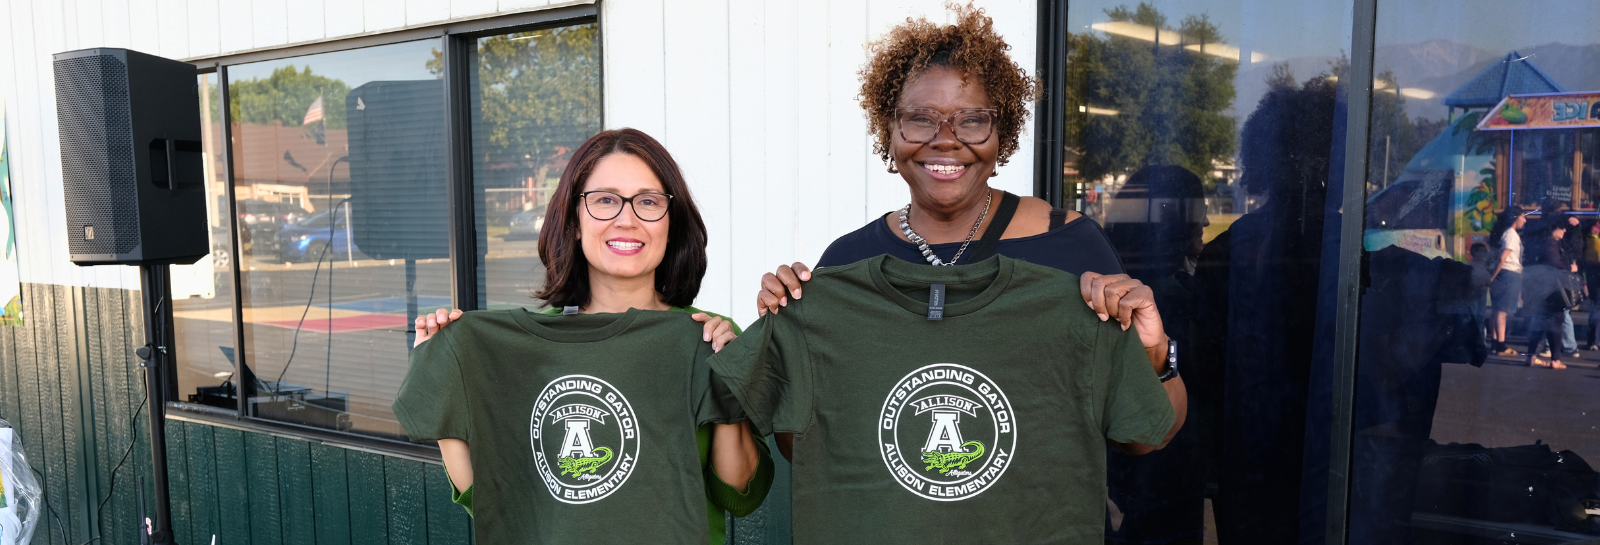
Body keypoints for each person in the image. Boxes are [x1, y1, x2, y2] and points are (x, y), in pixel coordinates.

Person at [752, 2, 1186, 463]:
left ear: (1002, 135)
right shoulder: (848, 263)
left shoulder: (1070, 246)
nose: (945, 139)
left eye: (972, 120)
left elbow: (1146, 437)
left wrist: (1154, 354)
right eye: (920, 118)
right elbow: (806, 452)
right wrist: (785, 344)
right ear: (890, 130)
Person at [405, 128, 774, 544]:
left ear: (671, 224)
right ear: (574, 222)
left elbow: (739, 494)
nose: (627, 219)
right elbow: (490, 498)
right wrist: (440, 380)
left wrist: (728, 375)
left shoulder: (708, 335)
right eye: (605, 200)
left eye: (648, 201)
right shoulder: (524, 349)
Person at [1522, 219, 1571, 369]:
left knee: (1540, 322)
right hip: (1552, 289)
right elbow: (1555, 262)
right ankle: (1555, 360)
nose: (1564, 231)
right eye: (1562, 228)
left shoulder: (1541, 242)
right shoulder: (1551, 243)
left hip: (1540, 287)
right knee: (1556, 322)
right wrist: (1570, 267)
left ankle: (1531, 355)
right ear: (1554, 228)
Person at [1487, 206, 1527, 356]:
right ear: (1515, 218)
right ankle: (1501, 346)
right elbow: (1503, 258)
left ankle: (1495, 343)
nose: (1525, 220)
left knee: (1496, 310)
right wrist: (1493, 277)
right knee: (1502, 312)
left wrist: (1493, 276)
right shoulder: (1511, 234)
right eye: (1523, 216)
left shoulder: (1504, 233)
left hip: (1502, 273)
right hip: (1508, 274)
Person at [1583, 220, 1600, 350]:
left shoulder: (1591, 228)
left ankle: (1593, 340)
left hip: (1592, 272)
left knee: (1595, 307)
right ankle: (1595, 340)